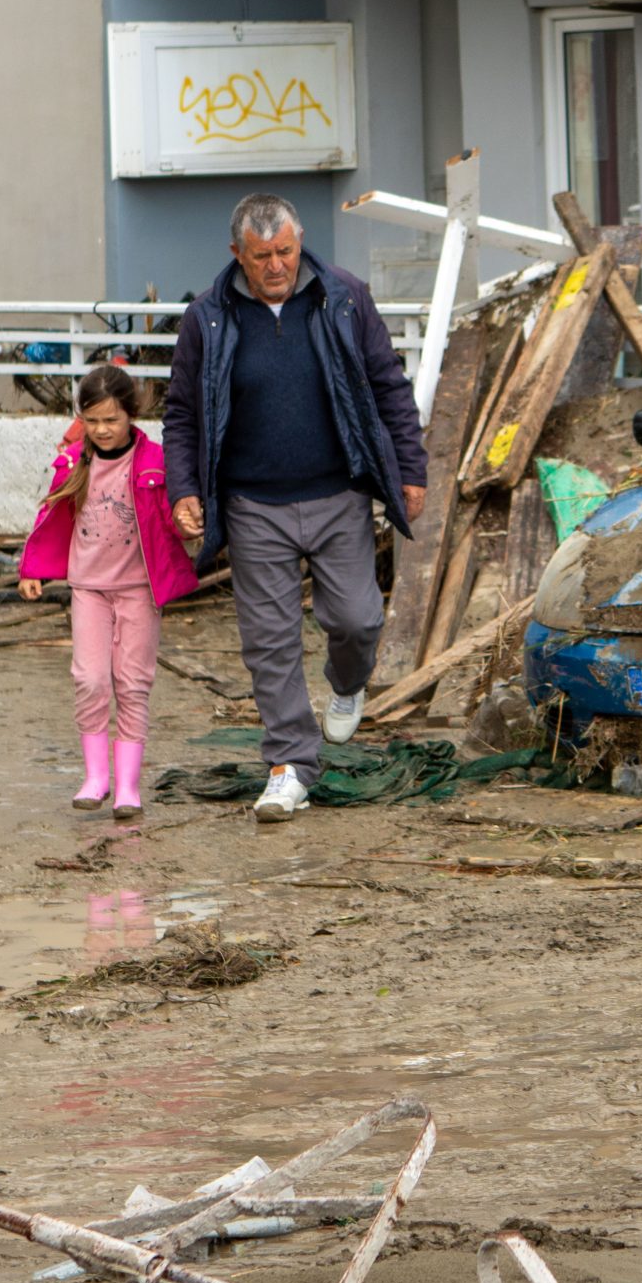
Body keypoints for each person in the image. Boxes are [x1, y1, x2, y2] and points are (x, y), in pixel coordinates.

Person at [163, 194, 427, 823]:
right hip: (254, 503)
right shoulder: (209, 318)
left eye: (285, 251)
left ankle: (345, 683)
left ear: (300, 240)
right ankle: (289, 767)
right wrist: (183, 489)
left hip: (339, 492)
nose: (277, 265)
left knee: (358, 617)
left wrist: (411, 468)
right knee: (270, 643)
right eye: (262, 257)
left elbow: (388, 384)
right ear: (237, 256)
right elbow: (180, 415)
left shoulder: (345, 298)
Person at [16, 364, 200, 819]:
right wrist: (32, 567)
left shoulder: (156, 461)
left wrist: (187, 527)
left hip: (140, 589)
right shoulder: (72, 463)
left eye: (111, 421)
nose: (101, 430)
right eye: (92, 420)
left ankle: (128, 788)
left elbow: (178, 520)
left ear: (131, 416)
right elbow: (50, 519)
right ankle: (96, 777)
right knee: (90, 679)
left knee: (133, 683)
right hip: (89, 589)